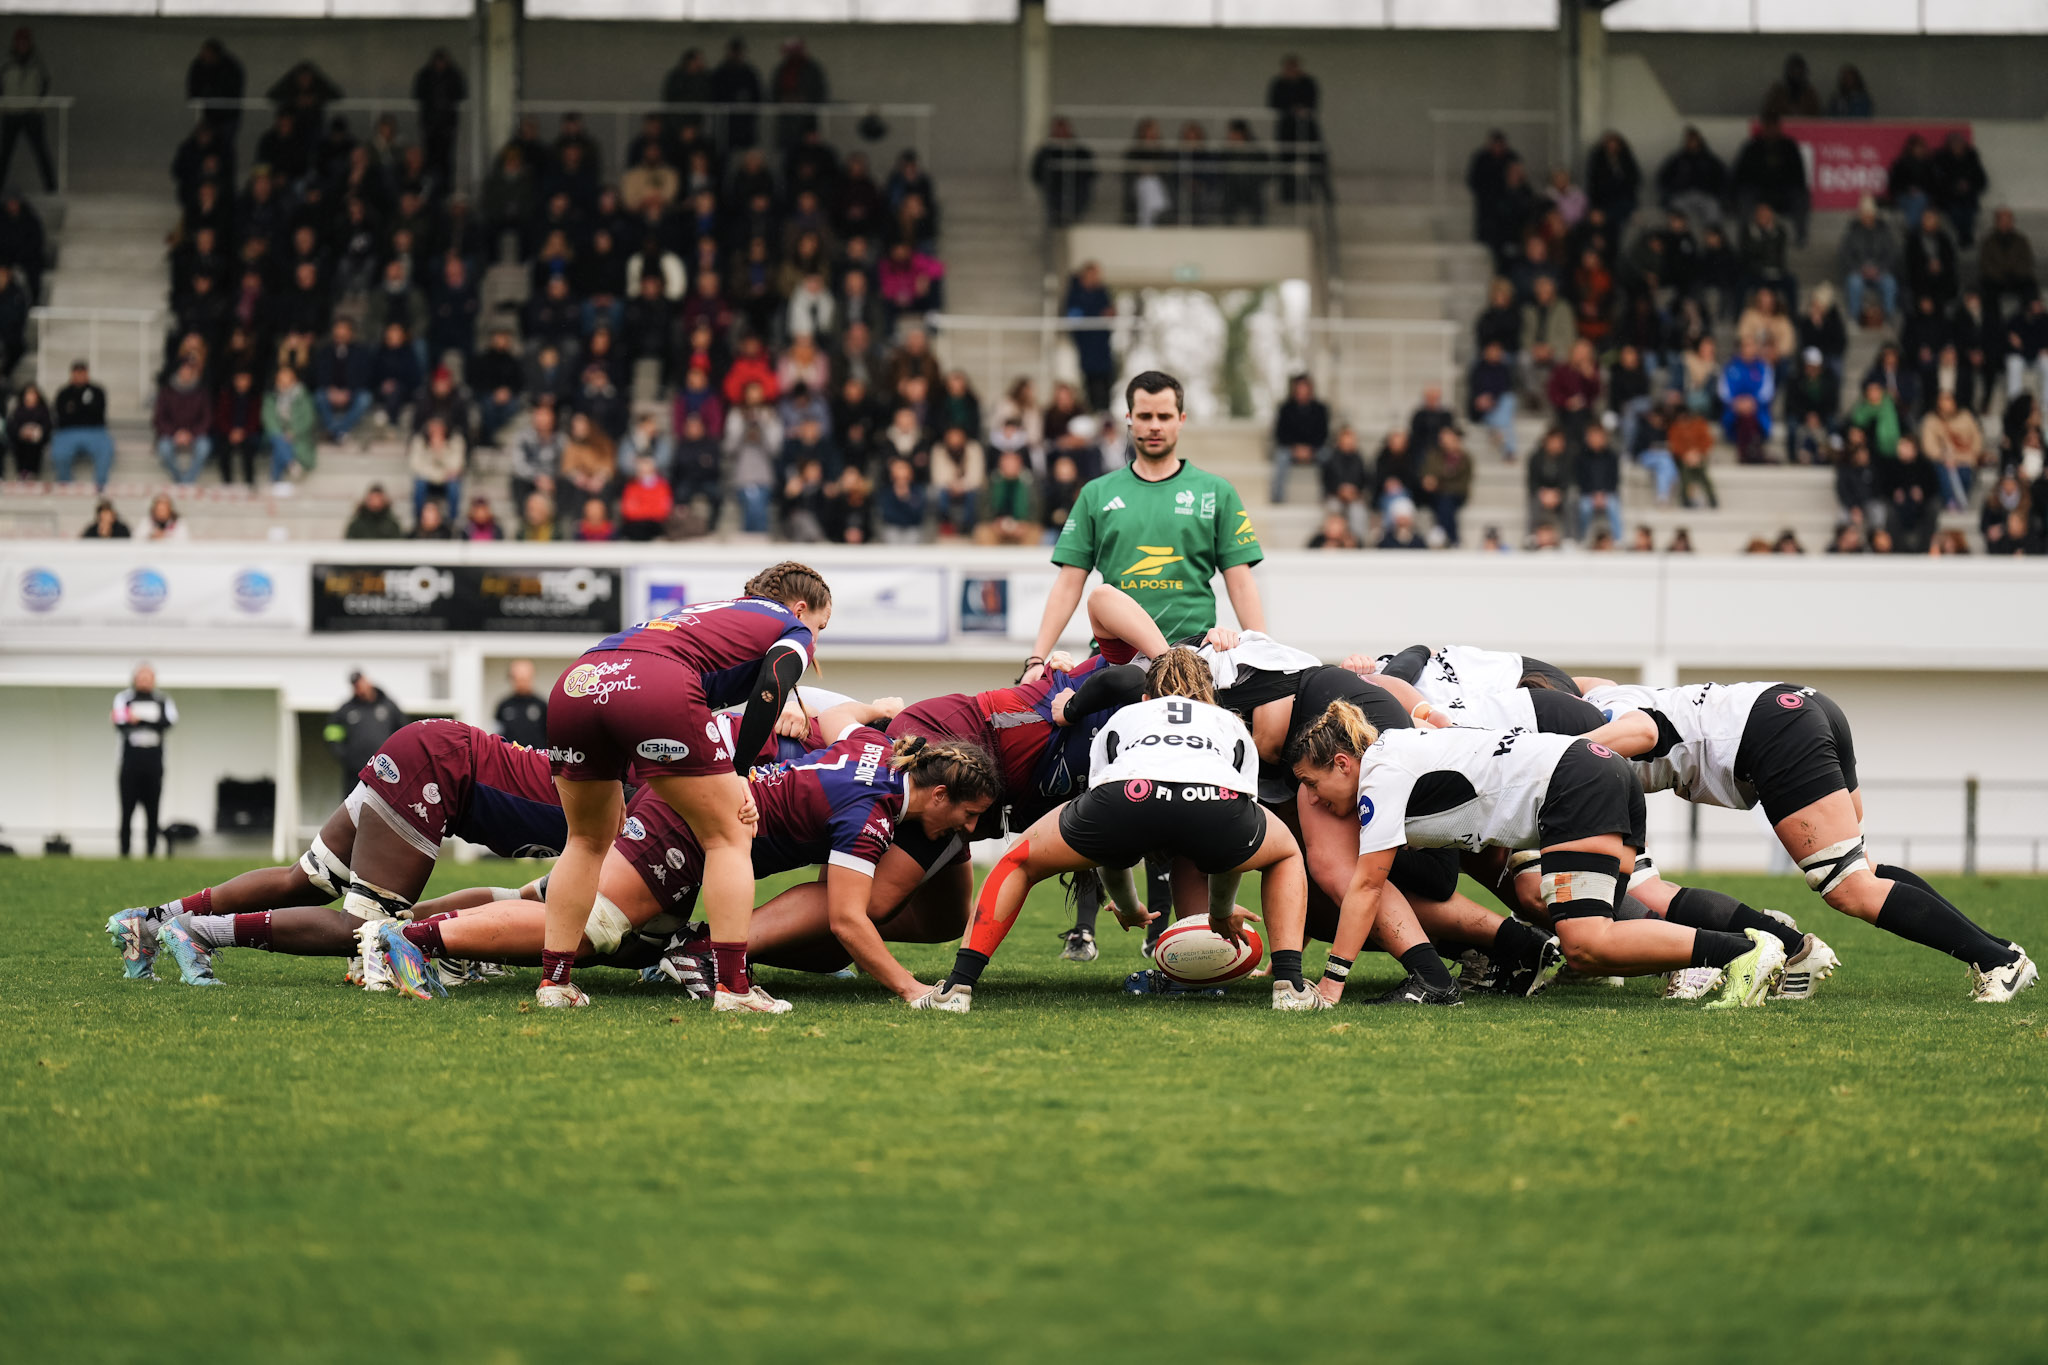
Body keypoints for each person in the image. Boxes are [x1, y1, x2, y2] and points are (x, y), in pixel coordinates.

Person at [1289, 700, 1783, 1008]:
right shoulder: (1401, 746)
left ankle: (1744, 950)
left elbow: (1366, 886)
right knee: (1597, 937)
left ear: (1342, 762)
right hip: (1600, 770)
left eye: (1313, 783)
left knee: (1588, 943)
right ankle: (1746, 943)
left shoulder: (1380, 776)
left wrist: (1331, 985)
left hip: (1576, 784)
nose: (1312, 798)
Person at [1580, 681, 2035, 1002]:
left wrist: (1566, 753)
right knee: (1864, 872)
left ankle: (1997, 962)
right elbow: (1567, 682)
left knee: (1848, 888)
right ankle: (2001, 950)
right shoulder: (1592, 694)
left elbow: (1644, 732)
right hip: (1797, 705)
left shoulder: (1571, 732)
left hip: (1769, 732)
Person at [914, 650, 1315, 1013]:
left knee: (1018, 861)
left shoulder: (1126, 716)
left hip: (1128, 793)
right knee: (1286, 853)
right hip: (1217, 799)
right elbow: (1233, 837)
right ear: (1210, 696)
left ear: (1145, 698)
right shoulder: (1228, 722)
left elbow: (1107, 832)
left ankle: (958, 987)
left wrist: (1127, 905)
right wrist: (1220, 911)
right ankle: (1289, 987)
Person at [537, 562, 831, 1014]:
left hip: (581, 677)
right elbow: (772, 682)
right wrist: (740, 770)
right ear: (801, 607)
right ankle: (733, 989)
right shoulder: (791, 625)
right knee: (730, 832)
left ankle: (554, 984)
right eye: (821, 625)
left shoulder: (710, 611)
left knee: (585, 840)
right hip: (656, 681)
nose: (818, 638)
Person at [119, 719, 565, 991]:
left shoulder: (623, 790)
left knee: (306, 880)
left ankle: (149, 920)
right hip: (436, 769)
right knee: (364, 928)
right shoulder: (631, 805)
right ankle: (196, 932)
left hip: (426, 746)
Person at [112, 665, 178, 860]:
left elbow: (167, 723)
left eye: (148, 677)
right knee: (127, 809)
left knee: (153, 809)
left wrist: (139, 719)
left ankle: (151, 851)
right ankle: (124, 852)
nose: (144, 681)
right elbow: (119, 721)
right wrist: (147, 721)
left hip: (153, 762)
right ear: (134, 679)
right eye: (141, 677)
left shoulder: (163, 700)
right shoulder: (124, 698)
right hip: (130, 761)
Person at [0, 28, 56, 193]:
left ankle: (51, 188)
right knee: (5, 154)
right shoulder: (6, 64)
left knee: (41, 152)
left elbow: (48, 85)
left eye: (25, 42)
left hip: (32, 114)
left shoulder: (38, 64)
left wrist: (40, 106)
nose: (22, 45)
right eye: (19, 42)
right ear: (15, 44)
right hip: (11, 113)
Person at [1062, 262, 1117, 413]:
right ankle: (1094, 410)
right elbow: (1074, 318)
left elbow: (1110, 312)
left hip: (1102, 348)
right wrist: (1098, 315)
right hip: (1087, 348)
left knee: (1106, 381)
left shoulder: (1102, 292)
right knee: (1092, 384)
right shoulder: (1075, 294)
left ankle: (1105, 412)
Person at [152, 354, 213, 484]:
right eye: (183, 369)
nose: (186, 373)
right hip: (172, 434)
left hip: (194, 434)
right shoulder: (167, 391)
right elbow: (159, 418)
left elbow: (207, 418)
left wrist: (191, 433)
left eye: (189, 370)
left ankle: (186, 482)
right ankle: (180, 480)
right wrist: (175, 433)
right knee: (164, 449)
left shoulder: (201, 392)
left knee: (204, 447)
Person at [1837, 196, 1899, 326]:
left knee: (1890, 283)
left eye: (1869, 215)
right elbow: (1845, 255)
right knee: (1854, 282)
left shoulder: (1884, 232)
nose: (1867, 217)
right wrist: (1861, 269)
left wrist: (1879, 269)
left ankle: (1888, 317)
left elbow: (1891, 255)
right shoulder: (1852, 232)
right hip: (1858, 271)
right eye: (1864, 215)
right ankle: (1854, 317)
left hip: (1880, 271)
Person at [52, 361, 113, 490]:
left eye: (82, 373)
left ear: (87, 374)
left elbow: (98, 413)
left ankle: (100, 487)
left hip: (94, 431)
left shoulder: (97, 391)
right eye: (77, 373)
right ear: (72, 374)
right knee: (59, 453)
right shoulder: (64, 393)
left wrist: (75, 409)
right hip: (68, 432)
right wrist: (84, 408)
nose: (79, 376)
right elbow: (61, 415)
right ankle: (65, 486)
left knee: (106, 449)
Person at [1270, 373, 1329, 503]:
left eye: (1304, 387)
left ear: (1310, 388)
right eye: (1299, 387)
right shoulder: (1285, 408)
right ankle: (1277, 498)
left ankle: (1327, 496)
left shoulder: (1320, 409)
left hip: (1314, 449)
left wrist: (1310, 449)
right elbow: (1280, 434)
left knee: (1328, 456)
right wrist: (1295, 448)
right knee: (1280, 456)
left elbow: (1323, 434)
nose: (1302, 390)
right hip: (1291, 449)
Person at [1030, 117, 1095, 227]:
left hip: (1077, 195)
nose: (1061, 133)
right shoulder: (1045, 152)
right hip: (1054, 195)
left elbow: (1090, 173)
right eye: (1058, 130)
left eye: (1063, 129)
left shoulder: (1081, 152)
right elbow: (1036, 173)